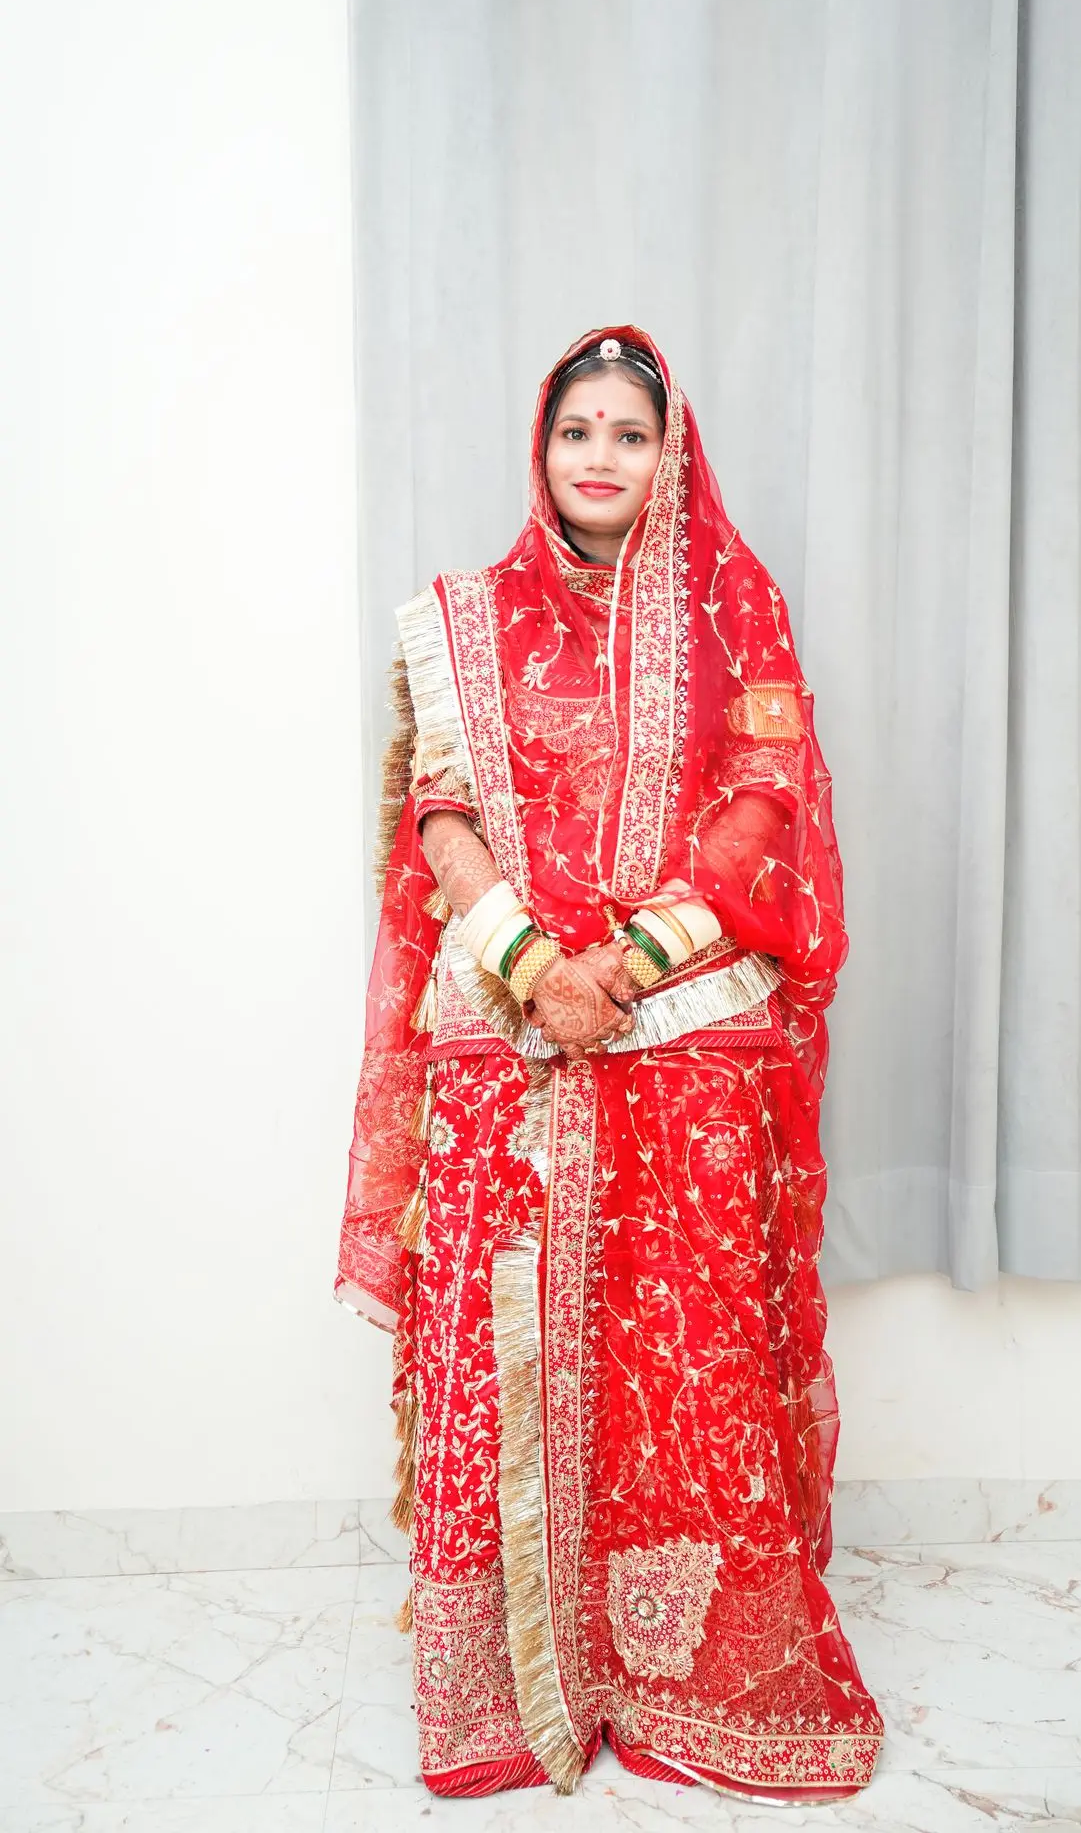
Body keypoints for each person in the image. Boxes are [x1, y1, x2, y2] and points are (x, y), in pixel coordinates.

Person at [335, 326, 884, 1802]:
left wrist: (630, 966)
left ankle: (681, 1676)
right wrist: (528, 962)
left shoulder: (734, 614)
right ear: (542, 447)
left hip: (679, 1028)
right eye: (576, 429)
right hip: (506, 1028)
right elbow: (436, 811)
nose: (599, 456)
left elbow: (765, 797)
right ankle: (513, 1698)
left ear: (669, 452)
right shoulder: (464, 620)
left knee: (683, 1356)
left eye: (627, 435)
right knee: (500, 1344)